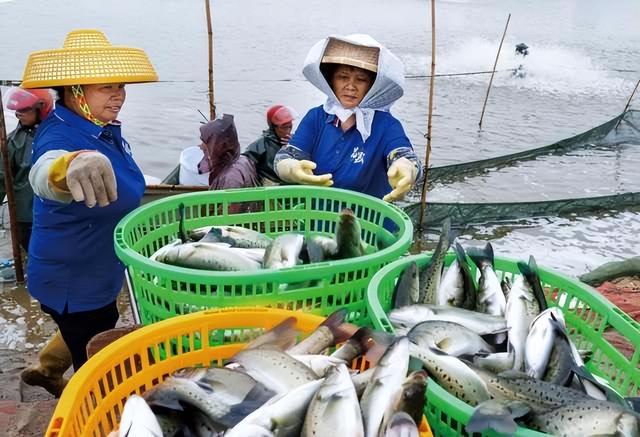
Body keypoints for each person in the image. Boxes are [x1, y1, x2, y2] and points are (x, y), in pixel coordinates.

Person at [22, 29, 158, 371]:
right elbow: (44, 174)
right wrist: (68, 166)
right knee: (96, 361)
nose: (119, 96)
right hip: (74, 280)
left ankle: (47, 370)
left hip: (99, 267)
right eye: (106, 87)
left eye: (120, 86)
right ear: (75, 89)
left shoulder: (97, 124)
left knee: (88, 328)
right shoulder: (60, 134)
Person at [274, 34, 422, 202]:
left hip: (370, 222)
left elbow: (403, 154)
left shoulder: (386, 125)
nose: (350, 86)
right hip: (317, 219)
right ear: (331, 81)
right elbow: (287, 156)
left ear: (372, 86)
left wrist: (407, 168)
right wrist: (292, 169)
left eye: (361, 79)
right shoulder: (316, 118)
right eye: (343, 77)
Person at [2, 87, 74, 396]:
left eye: (23, 111)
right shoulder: (14, 140)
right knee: (38, 265)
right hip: (24, 216)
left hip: (51, 214)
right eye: (16, 113)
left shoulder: (54, 135)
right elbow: (3, 177)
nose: (18, 117)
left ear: (41, 108)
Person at [243, 104, 297, 185]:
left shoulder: (294, 141)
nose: (288, 131)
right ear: (273, 127)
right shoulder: (262, 144)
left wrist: (294, 146)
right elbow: (244, 162)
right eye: (284, 127)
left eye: (290, 127)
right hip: (271, 188)